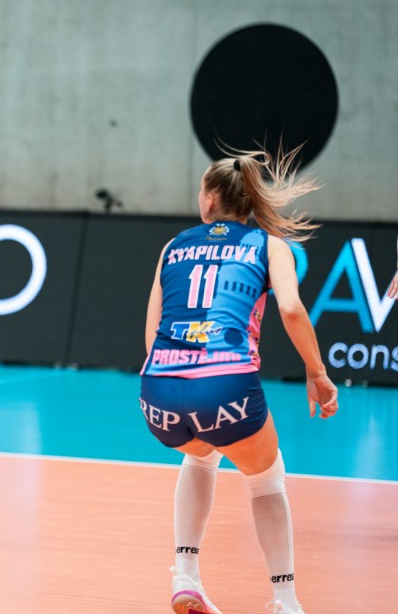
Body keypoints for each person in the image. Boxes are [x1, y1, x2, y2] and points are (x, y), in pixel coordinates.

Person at [139, 147, 338, 614]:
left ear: (209, 199)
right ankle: (285, 600)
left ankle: (185, 575)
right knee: (266, 477)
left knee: (199, 454)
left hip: (158, 390)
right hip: (225, 383)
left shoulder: (174, 246)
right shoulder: (270, 246)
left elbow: (151, 336)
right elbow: (291, 309)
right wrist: (317, 372)